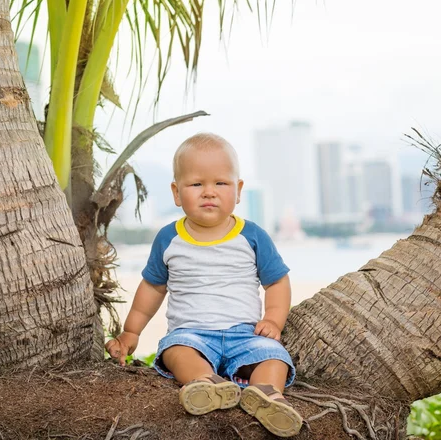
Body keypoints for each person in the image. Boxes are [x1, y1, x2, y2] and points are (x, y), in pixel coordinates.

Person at [106, 133, 303, 437]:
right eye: (196, 184)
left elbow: (276, 281)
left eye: (220, 184)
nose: (209, 192)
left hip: (245, 333)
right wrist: (132, 331)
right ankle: (206, 384)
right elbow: (153, 288)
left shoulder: (252, 236)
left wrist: (273, 320)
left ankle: (267, 394)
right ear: (176, 192)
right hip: (191, 334)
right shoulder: (169, 239)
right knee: (176, 351)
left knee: (273, 355)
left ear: (238, 191)